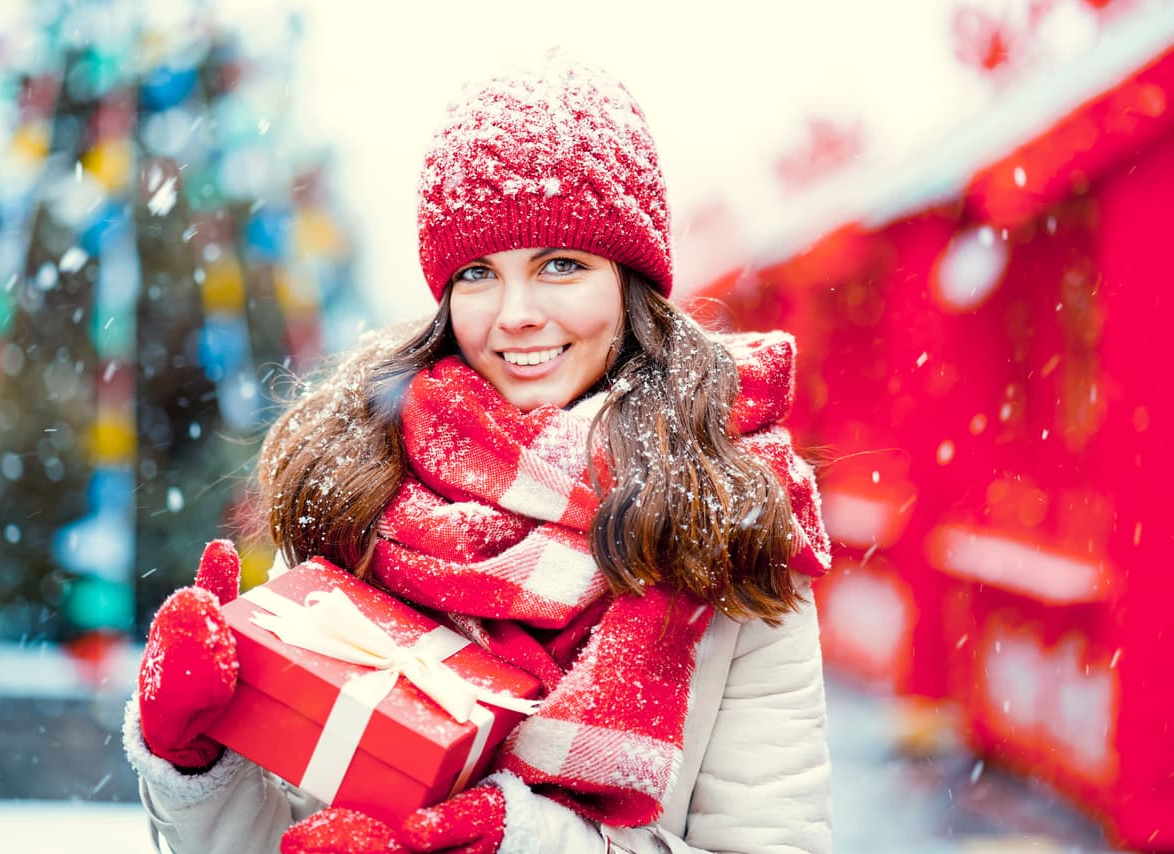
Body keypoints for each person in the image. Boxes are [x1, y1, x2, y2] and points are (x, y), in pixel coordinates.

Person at [123, 50, 834, 854]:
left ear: (631, 285)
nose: (516, 314)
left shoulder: (724, 525)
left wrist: (519, 841)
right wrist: (199, 761)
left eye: (561, 265)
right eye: (477, 274)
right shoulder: (367, 496)